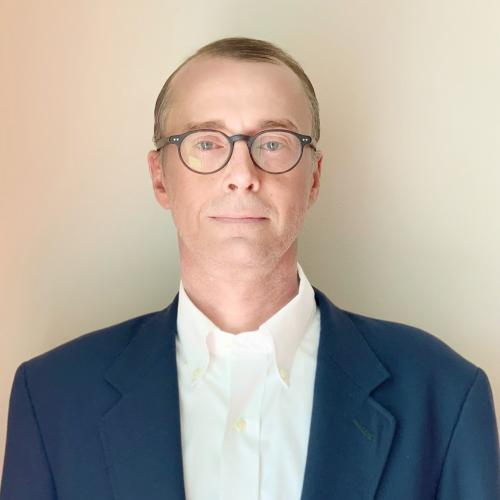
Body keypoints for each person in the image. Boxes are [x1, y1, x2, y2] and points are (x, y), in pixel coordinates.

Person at [1, 37, 499, 500]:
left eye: (274, 142)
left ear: (314, 177)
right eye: (206, 142)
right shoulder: (51, 398)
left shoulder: (444, 394)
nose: (242, 174)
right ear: (160, 178)